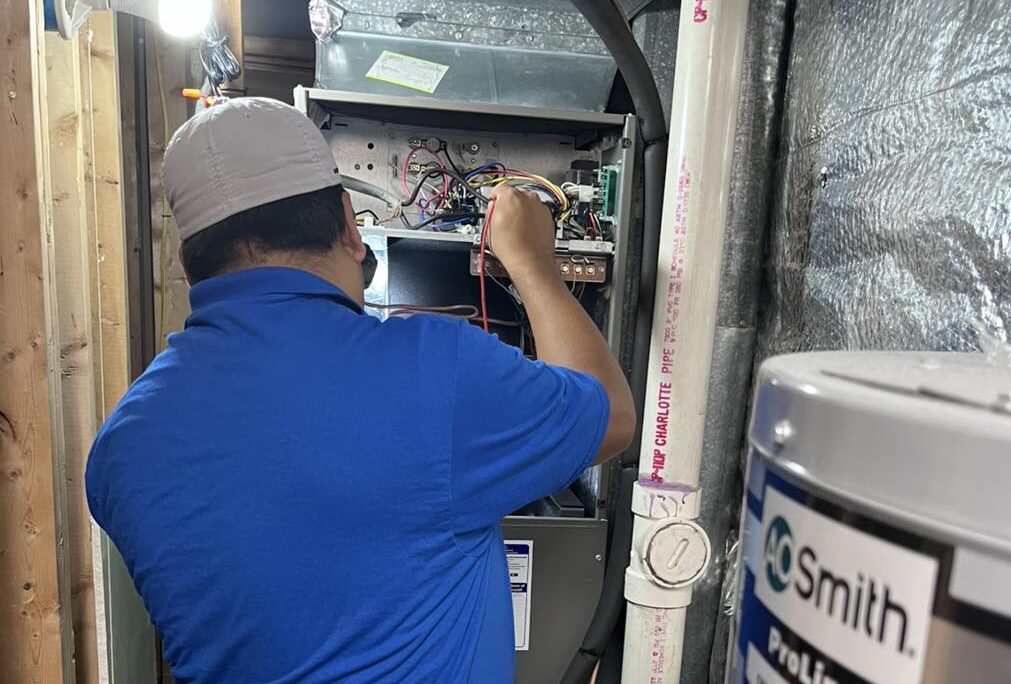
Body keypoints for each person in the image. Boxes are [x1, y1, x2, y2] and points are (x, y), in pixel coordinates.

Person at [85, 97, 635, 683]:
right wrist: (533, 263)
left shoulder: (121, 451)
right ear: (351, 227)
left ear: (188, 263)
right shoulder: (435, 373)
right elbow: (612, 415)